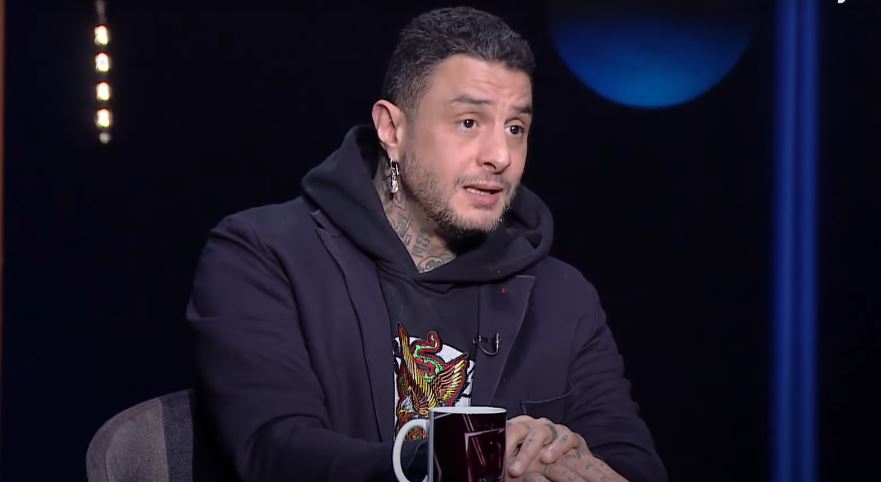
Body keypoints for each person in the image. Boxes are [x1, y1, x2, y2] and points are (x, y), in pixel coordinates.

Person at [187, 6, 666, 482]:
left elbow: (633, 465)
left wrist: (569, 457)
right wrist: (467, 460)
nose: (500, 156)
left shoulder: (562, 297)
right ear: (392, 129)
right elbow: (274, 452)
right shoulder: (263, 255)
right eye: (469, 122)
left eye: (515, 128)